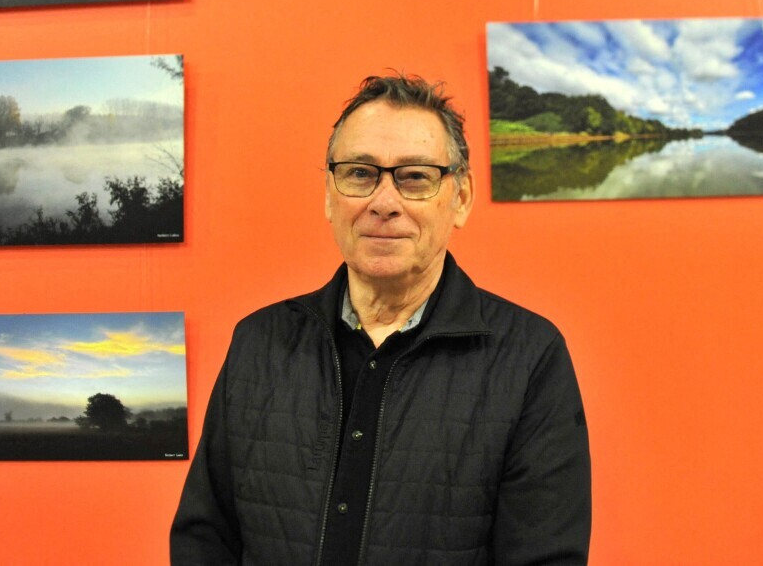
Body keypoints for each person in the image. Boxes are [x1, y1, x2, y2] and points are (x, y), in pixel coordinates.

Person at [170, 73, 591, 565]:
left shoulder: (529, 357)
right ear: (330, 194)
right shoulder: (259, 342)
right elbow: (205, 537)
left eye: (415, 177)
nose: (384, 203)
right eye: (360, 173)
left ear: (461, 198)